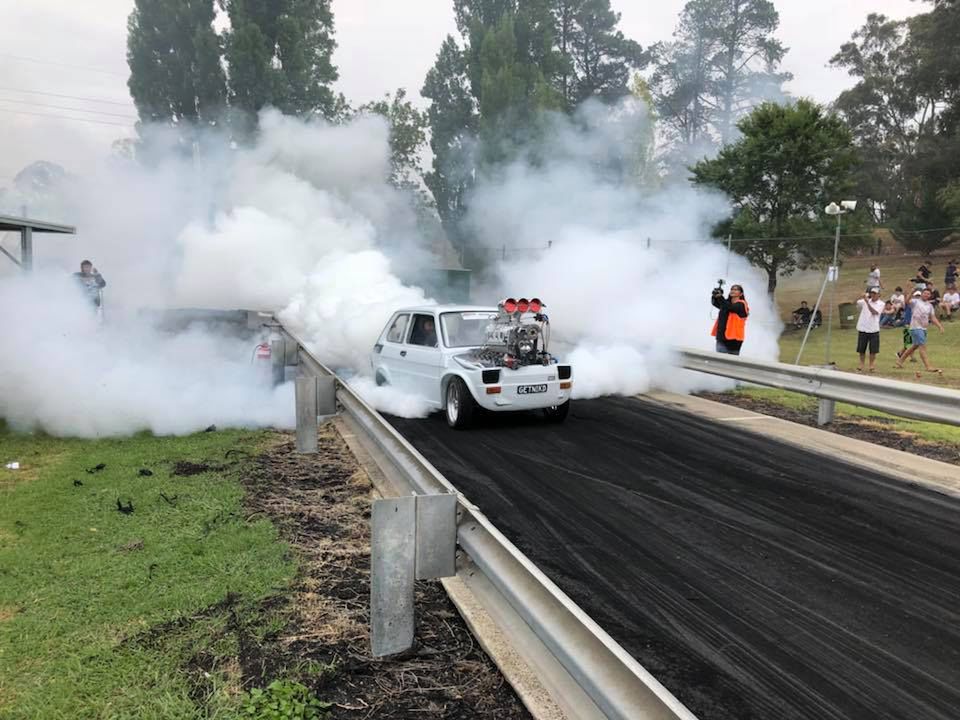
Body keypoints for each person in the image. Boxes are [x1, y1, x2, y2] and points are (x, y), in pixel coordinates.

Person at [895, 288, 944, 374]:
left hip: (923, 328)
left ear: (930, 295)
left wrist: (939, 326)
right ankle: (928, 366)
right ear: (922, 294)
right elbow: (907, 301)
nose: (926, 295)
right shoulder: (915, 302)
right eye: (924, 293)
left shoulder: (929, 306)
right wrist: (911, 292)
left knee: (915, 346)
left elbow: (932, 317)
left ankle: (900, 361)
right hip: (916, 327)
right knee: (922, 346)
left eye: (928, 294)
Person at [711, 283, 749, 355]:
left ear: (741, 294)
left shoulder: (741, 304)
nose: (733, 291)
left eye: (736, 289)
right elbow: (716, 303)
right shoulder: (726, 303)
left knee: (731, 361)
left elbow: (730, 307)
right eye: (732, 289)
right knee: (720, 359)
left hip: (734, 339)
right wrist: (714, 296)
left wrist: (720, 297)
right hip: (721, 336)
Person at [855, 287, 885, 372]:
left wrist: (867, 303)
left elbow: (874, 312)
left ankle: (871, 365)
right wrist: (862, 296)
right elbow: (856, 303)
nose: (873, 295)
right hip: (863, 327)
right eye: (872, 293)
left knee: (873, 349)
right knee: (861, 348)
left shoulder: (881, 304)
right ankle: (861, 364)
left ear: (879, 294)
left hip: (874, 328)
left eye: (875, 293)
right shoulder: (864, 301)